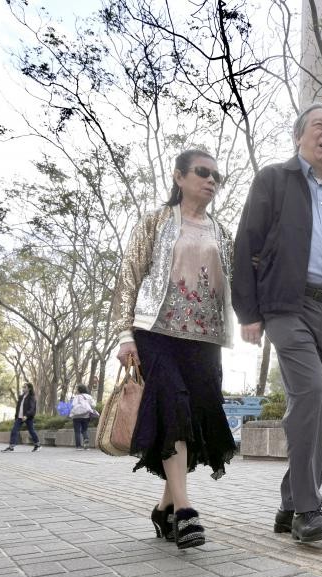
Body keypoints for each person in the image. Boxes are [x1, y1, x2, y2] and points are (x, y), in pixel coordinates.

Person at [232, 102, 322, 543]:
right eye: (318, 126)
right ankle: (308, 511)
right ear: (299, 136)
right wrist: (249, 312)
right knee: (311, 390)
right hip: (286, 307)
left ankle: (289, 502)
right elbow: (247, 243)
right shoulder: (274, 181)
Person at [111, 148, 236, 550]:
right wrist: (123, 335)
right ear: (179, 177)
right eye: (203, 173)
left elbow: (243, 280)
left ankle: (164, 507)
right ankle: (184, 510)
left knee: (194, 416)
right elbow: (128, 278)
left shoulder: (222, 233)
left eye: (218, 176)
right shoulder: (156, 222)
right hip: (156, 332)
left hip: (203, 338)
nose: (211, 181)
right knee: (173, 404)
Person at [2, 383, 40, 452]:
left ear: (29, 388)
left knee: (31, 431)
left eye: (25, 387)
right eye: (23, 387)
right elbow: (18, 407)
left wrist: (26, 415)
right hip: (19, 417)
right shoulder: (21, 397)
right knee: (14, 430)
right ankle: (11, 447)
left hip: (28, 417)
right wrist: (16, 416)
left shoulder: (32, 397)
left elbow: (32, 408)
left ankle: (37, 445)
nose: (23, 389)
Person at [69, 384, 98, 449]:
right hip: (86, 416)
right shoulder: (89, 397)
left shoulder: (77, 397)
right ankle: (86, 440)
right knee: (84, 430)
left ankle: (78, 446)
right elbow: (93, 405)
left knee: (77, 431)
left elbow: (73, 405)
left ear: (79, 390)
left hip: (76, 416)